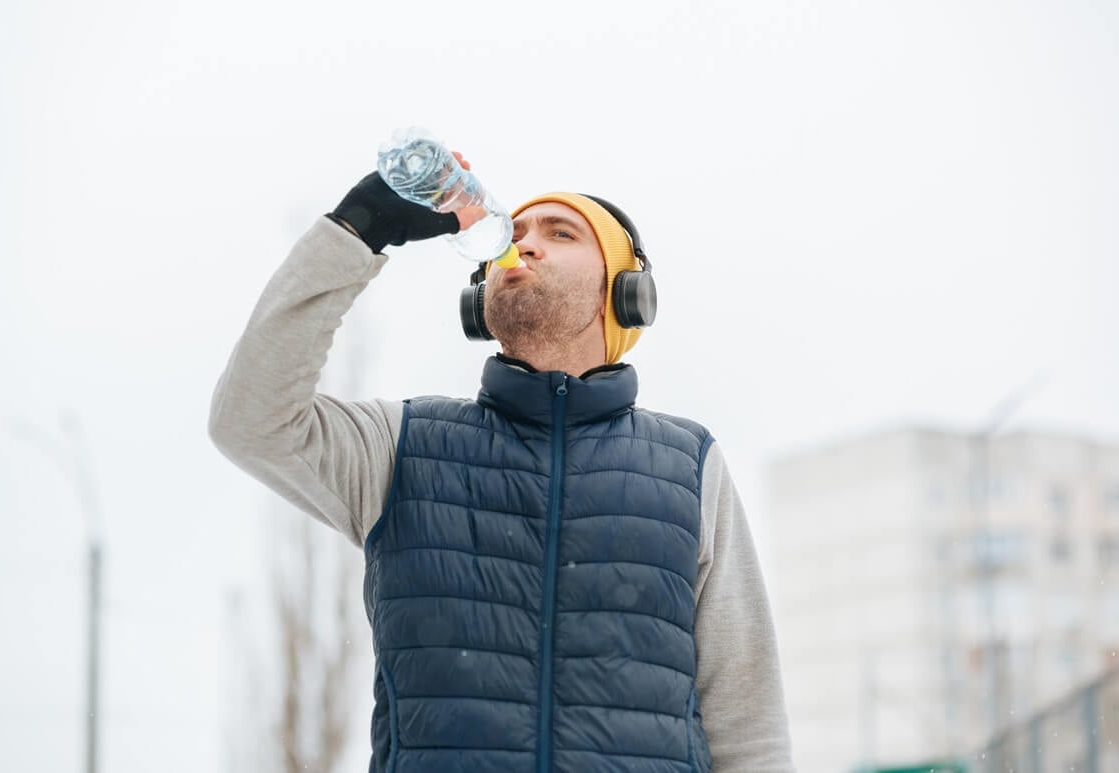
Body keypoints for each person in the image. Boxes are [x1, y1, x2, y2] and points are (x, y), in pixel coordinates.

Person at [209, 153, 795, 773]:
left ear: (625, 293)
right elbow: (249, 420)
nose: (526, 246)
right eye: (513, 235)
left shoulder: (689, 466)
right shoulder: (402, 445)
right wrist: (358, 229)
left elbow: (747, 722)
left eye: (559, 233)